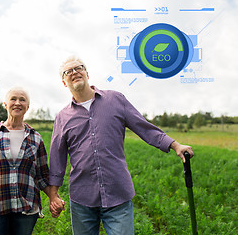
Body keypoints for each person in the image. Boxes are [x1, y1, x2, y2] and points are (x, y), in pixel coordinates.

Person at [48, 56, 194, 235]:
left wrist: (174, 145)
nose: (74, 73)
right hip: (82, 198)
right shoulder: (63, 117)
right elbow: (57, 156)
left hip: (117, 193)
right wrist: (53, 194)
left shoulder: (115, 100)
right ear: (64, 82)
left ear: (86, 73)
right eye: (68, 72)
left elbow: (144, 127)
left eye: (78, 68)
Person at [0, 87, 64, 235]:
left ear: (27, 107)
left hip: (26, 209)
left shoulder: (35, 138)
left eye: (22, 100)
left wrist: (54, 198)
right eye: (13, 99)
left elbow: (42, 176)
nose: (17, 103)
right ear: (5, 104)